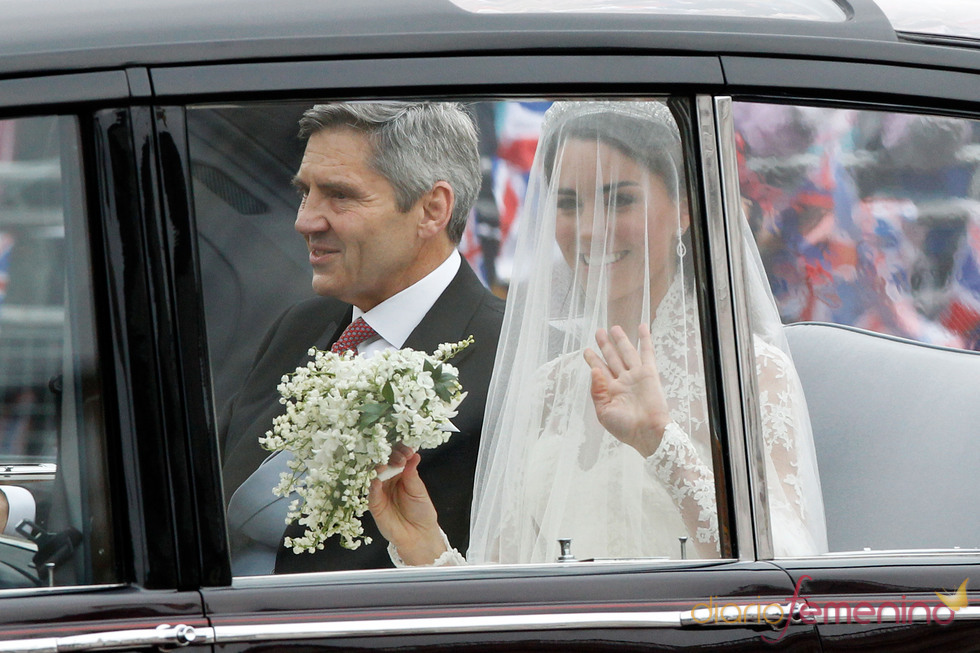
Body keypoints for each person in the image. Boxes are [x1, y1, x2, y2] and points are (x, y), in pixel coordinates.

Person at [370, 100, 827, 566]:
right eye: (568, 205)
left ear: (686, 209)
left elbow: (787, 565)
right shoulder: (547, 388)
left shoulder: (747, 373)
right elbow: (504, 593)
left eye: (620, 199)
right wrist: (423, 546)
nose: (590, 230)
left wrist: (660, 441)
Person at [220, 102, 504, 575]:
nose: (305, 220)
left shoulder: (505, 358)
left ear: (432, 209)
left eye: (340, 196)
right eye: (305, 193)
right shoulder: (301, 327)